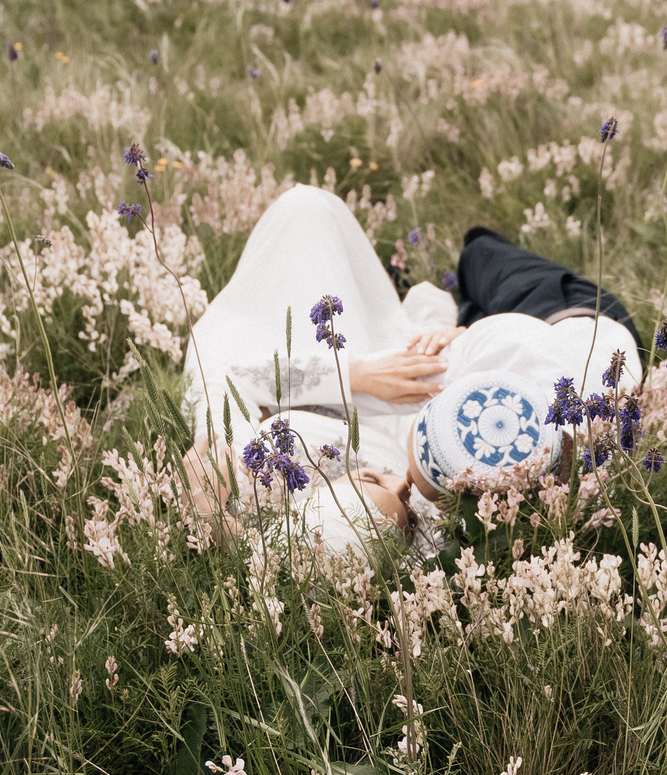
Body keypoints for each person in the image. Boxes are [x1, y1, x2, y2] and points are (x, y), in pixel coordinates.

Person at [179, 187, 641, 542]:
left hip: (514, 342)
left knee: (466, 268)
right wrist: (455, 340)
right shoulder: (492, 447)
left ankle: (441, 292)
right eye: (409, 498)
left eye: (377, 479)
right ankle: (454, 280)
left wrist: (222, 529)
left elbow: (227, 382)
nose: (400, 484)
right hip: (578, 322)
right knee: (478, 257)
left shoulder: (282, 498)